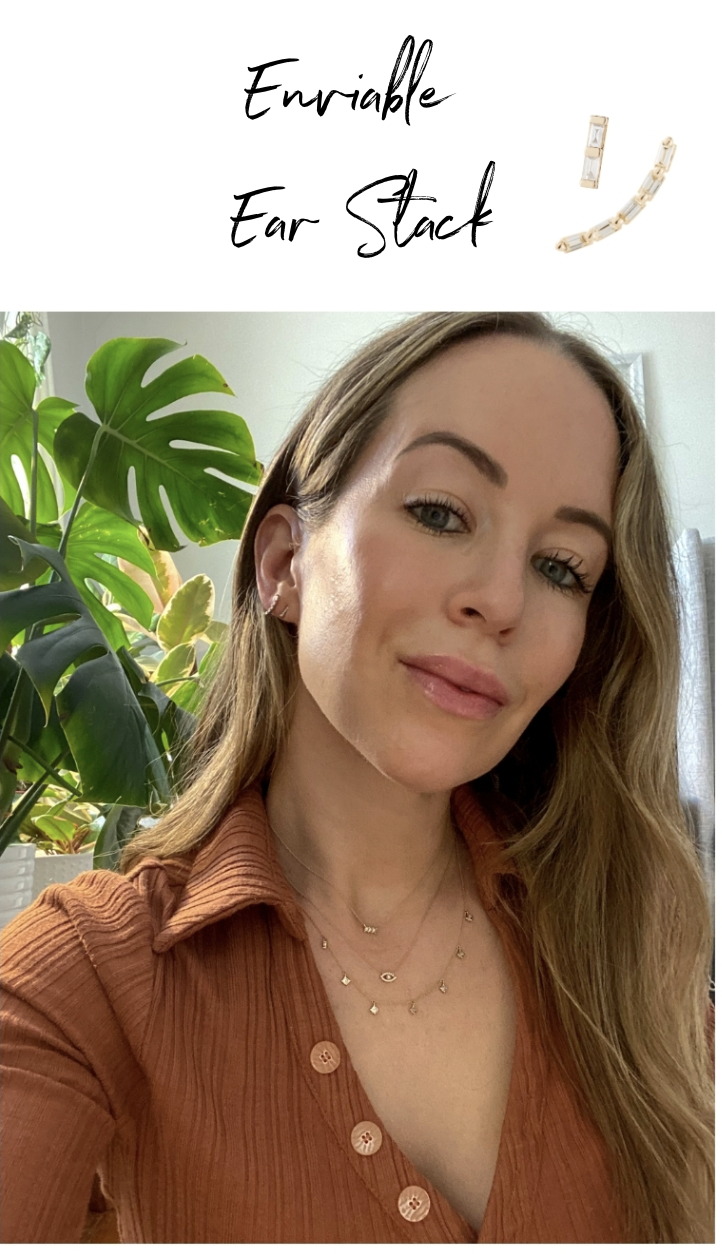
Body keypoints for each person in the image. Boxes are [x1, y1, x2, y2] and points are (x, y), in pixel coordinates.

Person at [0, 312, 713, 1244]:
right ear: (285, 564)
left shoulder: (633, 945)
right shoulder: (89, 975)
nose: (501, 600)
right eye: (440, 512)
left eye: (562, 567)